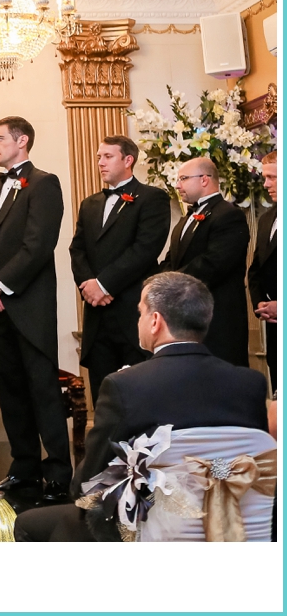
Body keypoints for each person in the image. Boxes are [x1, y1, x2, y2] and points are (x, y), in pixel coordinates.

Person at [14, 270, 270, 540]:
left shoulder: (126, 385)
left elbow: (88, 486)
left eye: (140, 313)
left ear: (155, 321)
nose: (138, 320)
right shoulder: (250, 384)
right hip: (241, 529)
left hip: (153, 532)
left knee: (29, 523)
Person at [0, 114, 69, 503]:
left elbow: (38, 245)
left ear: (22, 141)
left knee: (42, 391)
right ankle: (23, 469)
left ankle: (58, 472)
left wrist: (1, 286)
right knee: (11, 394)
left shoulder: (44, 184)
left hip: (28, 307)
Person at [68, 133, 171, 400]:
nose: (100, 162)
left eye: (108, 156)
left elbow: (145, 250)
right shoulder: (89, 204)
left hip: (132, 310)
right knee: (105, 397)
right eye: (99, 157)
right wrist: (89, 287)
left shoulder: (152, 198)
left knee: (140, 394)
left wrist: (103, 284)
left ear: (128, 160)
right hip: (97, 314)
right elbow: (77, 249)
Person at [162, 156, 252, 367]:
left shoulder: (229, 215)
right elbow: (170, 259)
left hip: (218, 320)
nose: (177, 185)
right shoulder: (186, 219)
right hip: (185, 319)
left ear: (204, 180)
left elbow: (213, 263)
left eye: (183, 178)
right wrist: (157, 284)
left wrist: (171, 286)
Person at [249, 153, 277, 393]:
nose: (266, 184)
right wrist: (260, 303)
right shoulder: (267, 218)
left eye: (272, 177)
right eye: (265, 177)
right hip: (273, 321)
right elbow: (256, 267)